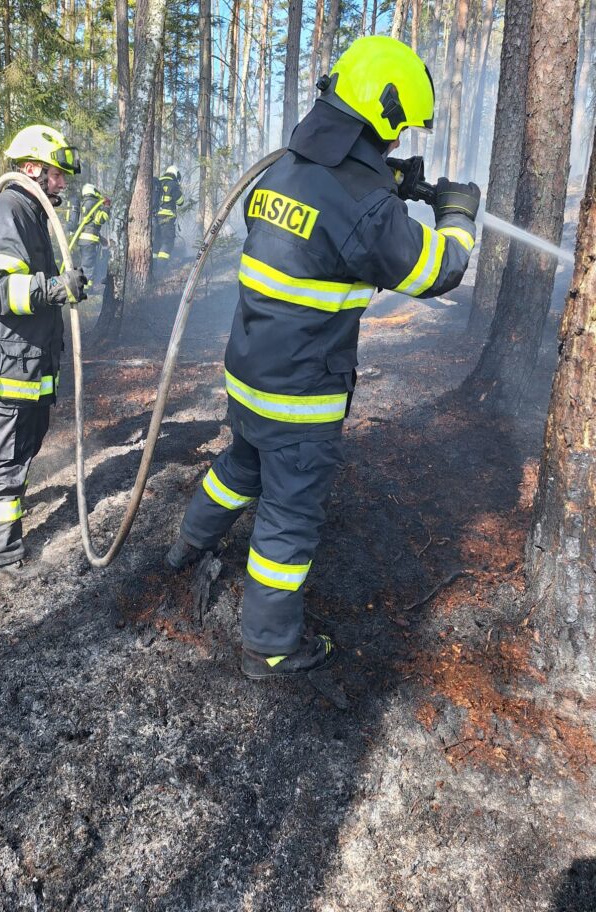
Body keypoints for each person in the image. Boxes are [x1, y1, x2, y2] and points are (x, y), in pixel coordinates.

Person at [165, 36, 481, 679]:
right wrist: (456, 217)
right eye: (396, 133)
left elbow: (318, 208)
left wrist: (388, 183)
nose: (398, 144)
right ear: (382, 116)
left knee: (239, 465)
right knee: (288, 517)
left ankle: (186, 543)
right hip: (301, 395)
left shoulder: (283, 169)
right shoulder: (364, 205)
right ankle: (269, 646)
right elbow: (437, 271)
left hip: (250, 373)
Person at [0, 124, 88, 569]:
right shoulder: (5, 213)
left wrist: (59, 287)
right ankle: (1, 561)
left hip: (24, 371)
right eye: (55, 174)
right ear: (31, 168)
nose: (62, 182)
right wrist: (53, 288)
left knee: (17, 457)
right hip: (1, 375)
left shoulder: (30, 216)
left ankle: (6, 545)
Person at [67, 182, 110, 285]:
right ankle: (86, 287)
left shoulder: (84, 203)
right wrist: (106, 207)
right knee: (88, 265)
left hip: (84, 240)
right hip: (90, 240)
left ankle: (83, 284)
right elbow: (100, 219)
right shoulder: (92, 203)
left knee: (85, 263)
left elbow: (89, 224)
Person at [152, 165, 184, 268]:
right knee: (167, 242)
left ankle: (153, 268)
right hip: (167, 219)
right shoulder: (173, 184)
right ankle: (161, 268)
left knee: (156, 243)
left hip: (155, 218)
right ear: (175, 174)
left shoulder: (157, 183)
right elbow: (180, 202)